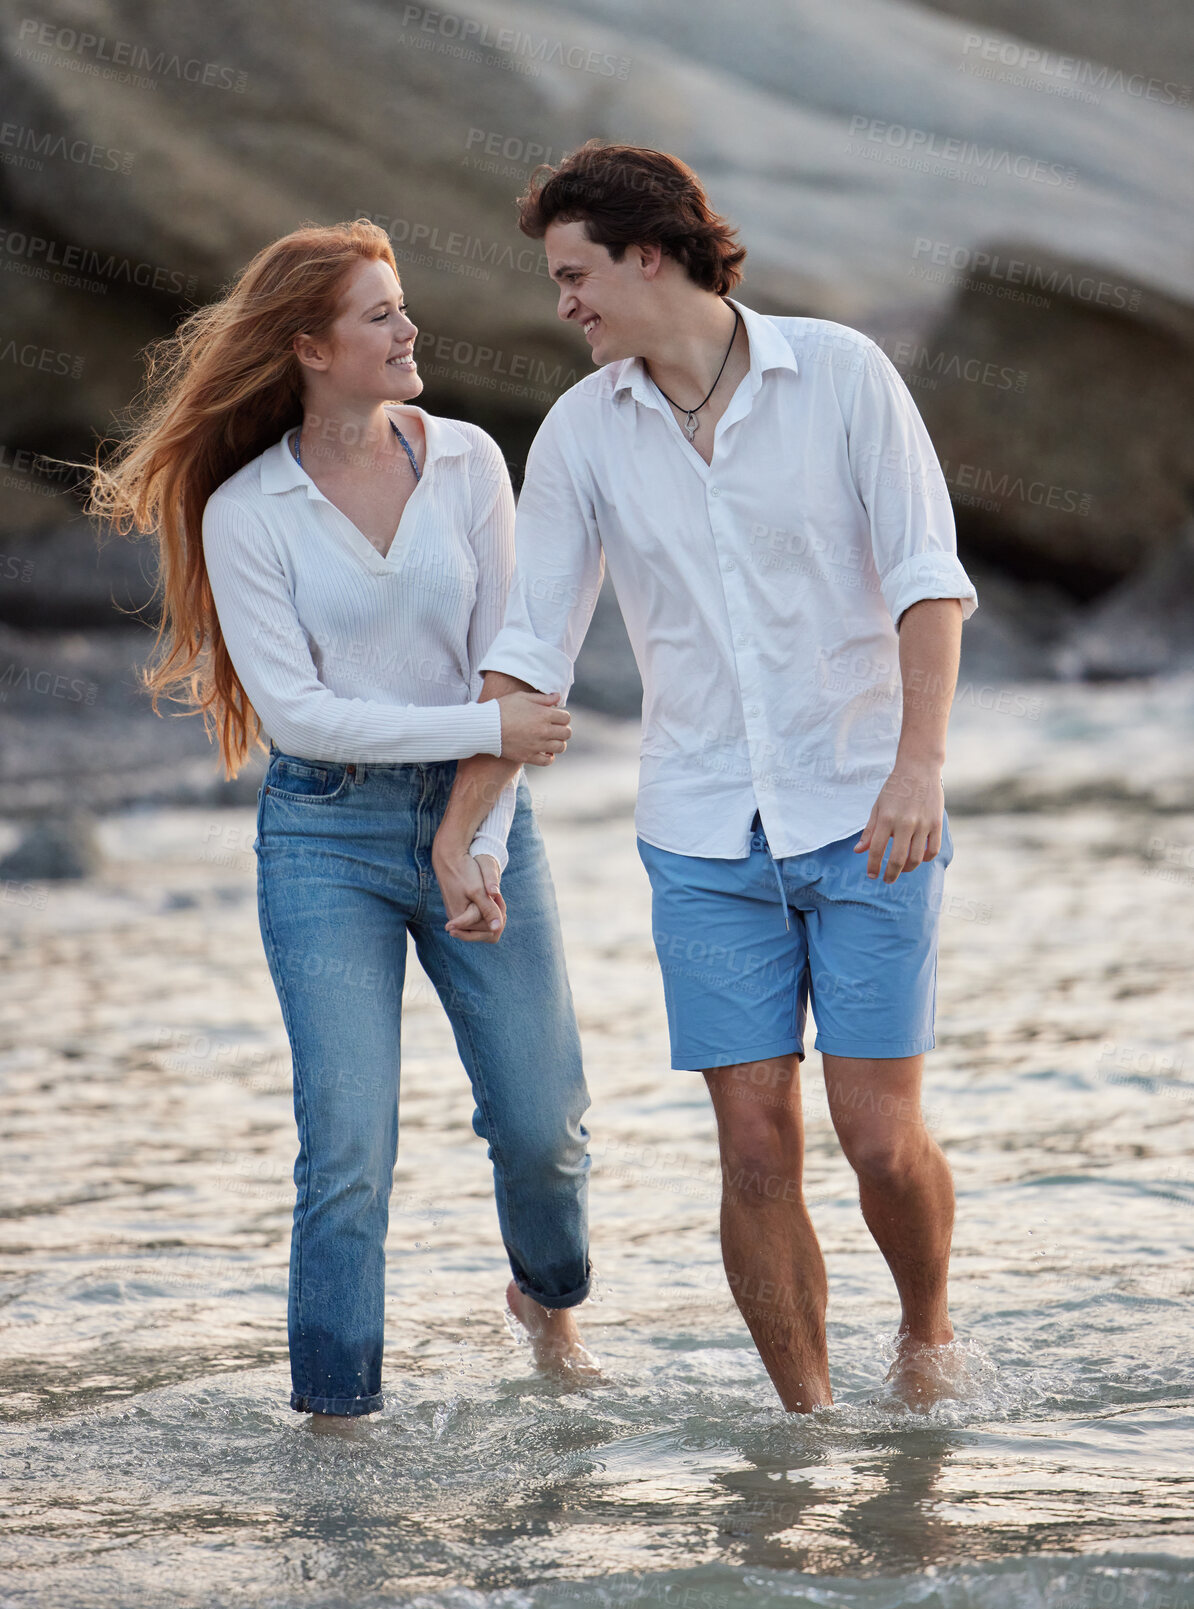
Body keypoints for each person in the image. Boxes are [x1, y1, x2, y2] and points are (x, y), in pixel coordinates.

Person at [432, 144, 980, 1413]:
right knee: (752, 1150)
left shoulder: (840, 375)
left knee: (882, 1142)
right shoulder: (581, 432)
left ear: (650, 254)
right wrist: (469, 826)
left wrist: (920, 767)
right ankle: (809, 1426)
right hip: (701, 833)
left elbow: (925, 581)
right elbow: (531, 648)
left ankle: (928, 1327)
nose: (562, 302)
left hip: (865, 812)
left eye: (576, 275)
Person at [87, 219, 598, 1426]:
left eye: (403, 306)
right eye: (381, 314)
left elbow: (508, 666)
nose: (410, 328)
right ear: (311, 346)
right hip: (325, 839)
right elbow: (306, 721)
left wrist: (472, 826)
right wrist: (481, 739)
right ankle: (337, 1421)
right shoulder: (245, 512)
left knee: (544, 1128)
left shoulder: (469, 461)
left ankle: (550, 1298)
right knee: (347, 1152)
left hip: (482, 819)